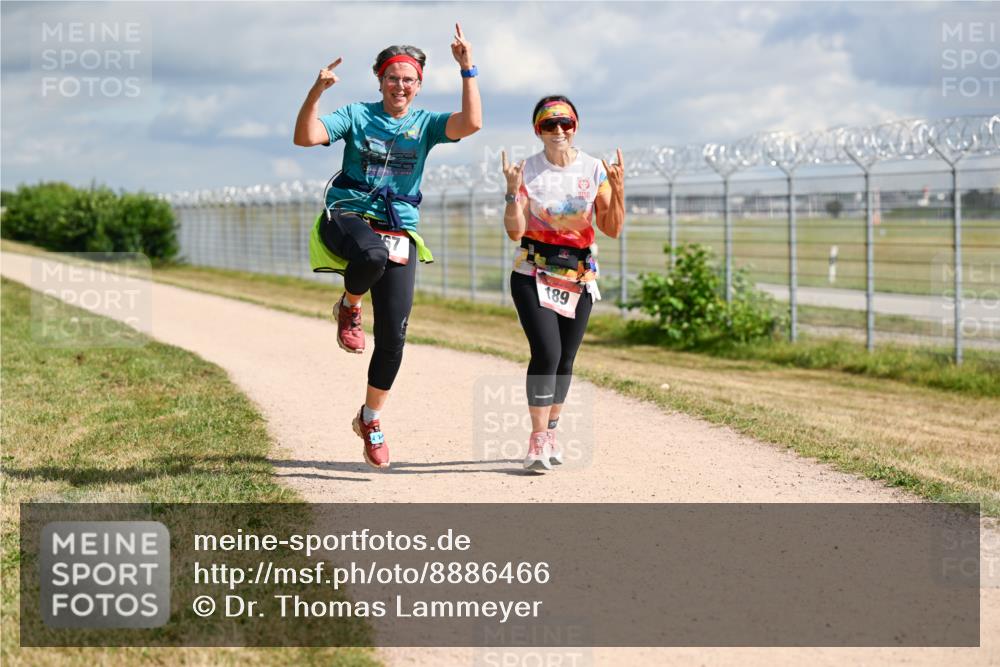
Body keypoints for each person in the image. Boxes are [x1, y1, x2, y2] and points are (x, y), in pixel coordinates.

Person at [294, 24, 482, 469]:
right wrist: (315, 92)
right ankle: (350, 304)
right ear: (379, 80)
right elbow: (306, 137)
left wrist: (467, 68)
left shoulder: (426, 124)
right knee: (372, 254)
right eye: (393, 77)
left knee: (394, 338)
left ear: (419, 85)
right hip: (349, 215)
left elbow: (471, 123)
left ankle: (370, 418)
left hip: (400, 227)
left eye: (409, 79)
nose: (400, 86)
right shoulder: (358, 114)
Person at [500, 96, 624, 471]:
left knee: (566, 359)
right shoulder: (527, 171)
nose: (559, 131)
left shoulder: (594, 169)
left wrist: (618, 190)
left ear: (576, 126)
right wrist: (510, 192)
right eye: (549, 125)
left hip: (579, 276)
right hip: (533, 273)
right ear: (538, 129)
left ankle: (552, 432)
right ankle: (537, 440)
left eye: (565, 124)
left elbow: (613, 228)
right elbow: (514, 232)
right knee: (547, 354)